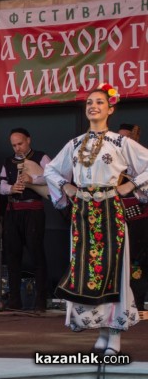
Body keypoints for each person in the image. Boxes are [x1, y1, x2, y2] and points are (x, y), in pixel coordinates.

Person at [44, 83, 148, 355]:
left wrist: (131, 185)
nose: (93, 106)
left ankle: (113, 337)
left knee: (113, 270)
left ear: (110, 109)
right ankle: (100, 330)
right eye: (89, 102)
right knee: (86, 271)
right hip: (82, 213)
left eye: (100, 102)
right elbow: (52, 170)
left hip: (110, 210)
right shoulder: (76, 144)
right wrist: (66, 186)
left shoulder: (121, 142)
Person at [0, 128, 51, 311]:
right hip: (13, 210)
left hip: (33, 210)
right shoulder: (8, 161)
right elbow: (1, 184)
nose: (17, 148)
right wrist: (11, 189)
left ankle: (41, 301)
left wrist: (32, 179)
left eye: (20, 143)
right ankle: (14, 301)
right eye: (14, 145)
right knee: (12, 256)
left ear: (28, 140)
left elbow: (52, 177)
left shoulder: (41, 157)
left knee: (36, 254)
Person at [117, 124, 148, 311]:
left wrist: (133, 181)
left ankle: (137, 303)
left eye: (127, 139)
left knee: (138, 262)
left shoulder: (143, 162)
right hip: (117, 219)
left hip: (139, 221)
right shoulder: (112, 161)